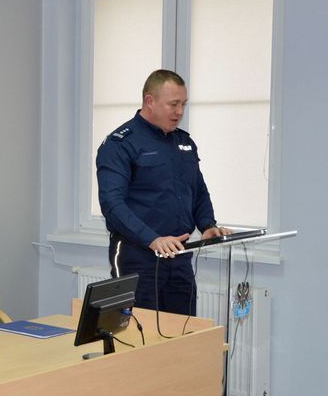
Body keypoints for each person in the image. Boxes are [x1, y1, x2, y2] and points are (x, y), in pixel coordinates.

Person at [96, 69, 231, 315]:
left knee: (182, 331)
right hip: (137, 256)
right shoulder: (120, 144)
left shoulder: (184, 142)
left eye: (183, 104)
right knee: (140, 332)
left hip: (179, 256)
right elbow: (112, 205)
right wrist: (152, 239)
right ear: (150, 101)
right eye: (173, 104)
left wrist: (207, 225)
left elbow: (198, 190)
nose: (179, 112)